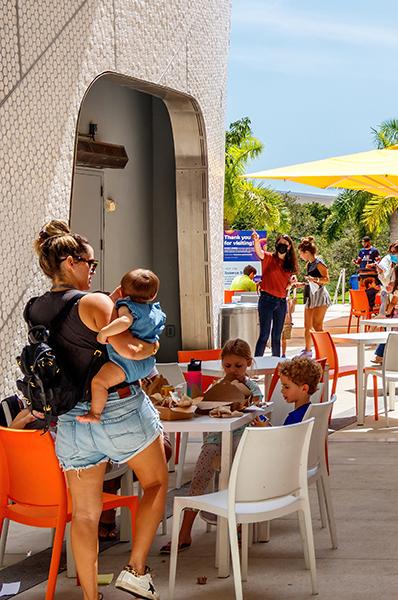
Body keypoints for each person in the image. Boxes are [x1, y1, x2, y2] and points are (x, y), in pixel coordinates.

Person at [28, 220, 167, 599]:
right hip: (118, 408)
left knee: (85, 516)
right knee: (155, 481)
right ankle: (137, 570)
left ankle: (92, 597)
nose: (93, 270)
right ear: (72, 262)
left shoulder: (35, 308)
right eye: (90, 263)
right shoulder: (94, 302)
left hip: (70, 420)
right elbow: (129, 350)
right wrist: (153, 348)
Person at [159, 339, 264, 555]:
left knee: (238, 471)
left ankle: (237, 523)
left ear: (248, 364)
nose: (233, 371)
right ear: (221, 365)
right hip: (214, 441)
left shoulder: (253, 389)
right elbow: (200, 407)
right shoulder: (216, 388)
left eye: (238, 366)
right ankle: (185, 530)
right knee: (200, 474)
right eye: (228, 366)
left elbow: (257, 411)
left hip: (242, 440)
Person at [82, 269, 166, 424]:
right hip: (147, 364)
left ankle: (95, 413)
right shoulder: (156, 312)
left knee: (99, 383)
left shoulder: (126, 306)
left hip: (124, 364)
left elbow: (125, 322)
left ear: (121, 291)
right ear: (153, 295)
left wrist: (104, 332)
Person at [252, 231, 297, 357]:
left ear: (289, 247)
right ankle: (257, 367)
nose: (282, 246)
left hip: (281, 302)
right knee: (264, 335)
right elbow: (259, 252)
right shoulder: (269, 258)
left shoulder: (289, 265)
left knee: (277, 336)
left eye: (285, 244)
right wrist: (256, 241)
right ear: (276, 244)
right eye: (280, 243)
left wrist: (291, 283)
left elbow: (285, 286)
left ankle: (276, 366)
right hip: (266, 300)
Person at [298, 237, 330, 357]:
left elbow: (327, 280)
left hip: (320, 296)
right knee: (307, 326)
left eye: (300, 253)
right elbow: (310, 281)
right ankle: (308, 350)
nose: (300, 255)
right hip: (310, 296)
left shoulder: (319, 263)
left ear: (306, 252)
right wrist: (302, 284)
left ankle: (324, 350)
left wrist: (315, 280)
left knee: (317, 325)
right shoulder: (308, 264)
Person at [279, 355, 324, 425]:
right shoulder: (313, 414)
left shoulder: (294, 419)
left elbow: (283, 436)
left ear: (304, 389)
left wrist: (266, 428)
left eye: (286, 387)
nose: (282, 391)